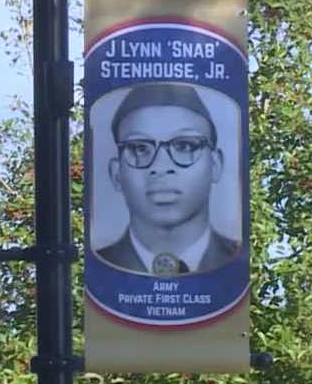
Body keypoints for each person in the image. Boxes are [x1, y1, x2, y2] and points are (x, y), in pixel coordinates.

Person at [95, 82, 239, 276]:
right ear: (116, 173)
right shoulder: (102, 266)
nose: (161, 167)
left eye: (185, 146)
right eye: (140, 148)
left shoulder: (234, 260)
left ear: (216, 164)